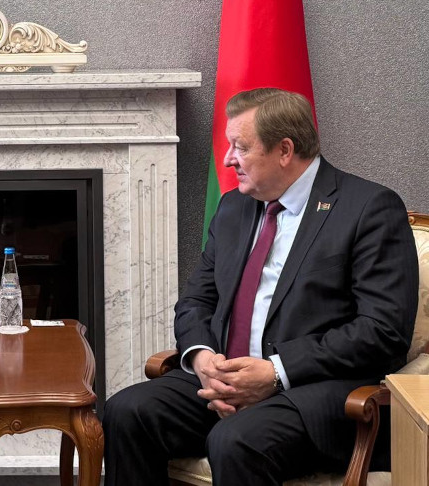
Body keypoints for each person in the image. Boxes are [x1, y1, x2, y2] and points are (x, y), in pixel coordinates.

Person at [102, 88, 418, 485]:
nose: (228, 159)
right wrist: (202, 360)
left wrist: (275, 372)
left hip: (311, 391)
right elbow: (196, 301)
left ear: (284, 150)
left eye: (241, 147)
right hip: (225, 378)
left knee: (236, 440)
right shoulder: (234, 207)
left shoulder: (369, 208)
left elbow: (383, 331)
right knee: (127, 411)